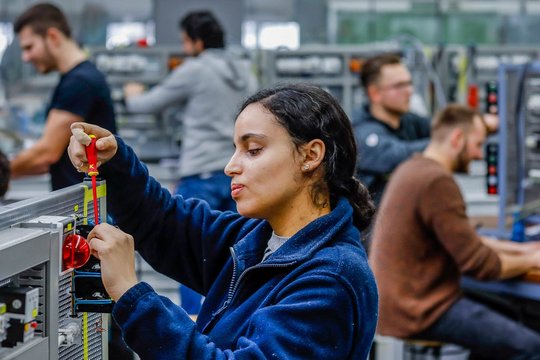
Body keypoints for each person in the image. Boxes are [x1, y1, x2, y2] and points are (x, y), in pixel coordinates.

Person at [67, 83, 378, 359]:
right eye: (235, 150)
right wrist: (115, 161)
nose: (231, 167)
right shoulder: (258, 241)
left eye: (253, 150)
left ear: (311, 155)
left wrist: (130, 293)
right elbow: (164, 223)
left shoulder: (329, 279)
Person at [370, 104, 540, 358]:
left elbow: (465, 238)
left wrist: (521, 249)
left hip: (397, 302)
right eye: (478, 144)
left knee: (504, 323)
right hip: (420, 309)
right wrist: (531, 259)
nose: (480, 155)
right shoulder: (436, 181)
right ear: (457, 138)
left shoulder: (413, 169)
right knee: (530, 346)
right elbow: (479, 264)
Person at [123, 10, 257, 314]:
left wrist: (132, 93)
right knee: (235, 254)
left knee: (194, 252)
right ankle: (227, 323)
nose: (184, 49)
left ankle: (199, 326)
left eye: (185, 42)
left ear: (197, 42)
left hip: (200, 172)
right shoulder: (245, 72)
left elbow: (147, 105)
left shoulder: (195, 69)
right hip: (235, 172)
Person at [10, 3, 117, 190]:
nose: (25, 58)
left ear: (52, 37)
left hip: (87, 209)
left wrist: (4, 171)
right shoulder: (78, 77)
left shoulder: (79, 81)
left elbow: (45, 154)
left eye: (29, 47)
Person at [352, 53, 431, 205]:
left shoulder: (410, 121)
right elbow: (395, 154)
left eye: (409, 83)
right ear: (375, 93)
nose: (409, 91)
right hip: (375, 225)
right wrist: (441, 145)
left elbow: (441, 130)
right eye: (399, 86)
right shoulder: (360, 133)